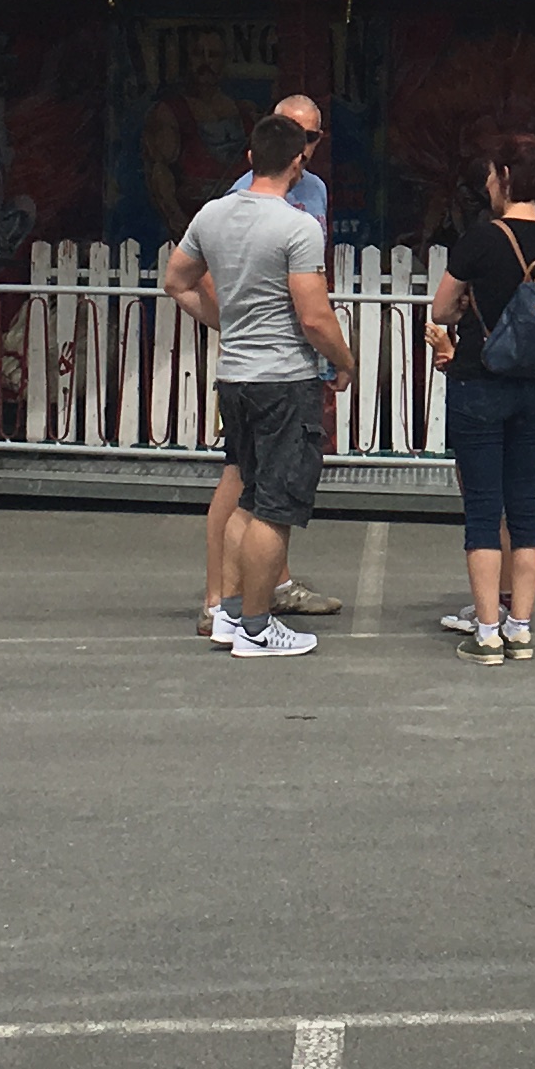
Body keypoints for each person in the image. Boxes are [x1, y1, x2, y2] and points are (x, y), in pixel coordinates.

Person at [171, 112, 352, 660]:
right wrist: (344, 361)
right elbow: (314, 316)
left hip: (235, 376)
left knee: (247, 498)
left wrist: (225, 321)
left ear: (251, 158)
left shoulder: (212, 214)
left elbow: (176, 280)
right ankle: (255, 626)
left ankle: (229, 614)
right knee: (276, 507)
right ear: (298, 163)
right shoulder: (298, 226)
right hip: (284, 378)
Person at [428, 134, 535, 665]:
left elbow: (441, 310)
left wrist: (467, 305)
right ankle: (520, 626)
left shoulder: (480, 239)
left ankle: (486, 632)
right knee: (525, 504)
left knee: (484, 509)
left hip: (479, 379)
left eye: (491, 174)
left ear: (505, 176)